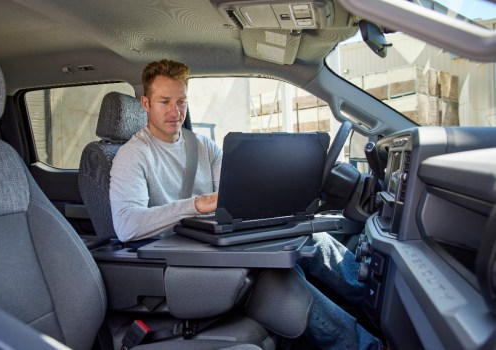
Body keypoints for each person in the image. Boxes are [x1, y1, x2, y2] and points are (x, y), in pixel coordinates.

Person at [109, 59, 382, 350]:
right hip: (179, 258)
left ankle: (376, 307)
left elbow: (236, 193)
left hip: (216, 239)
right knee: (281, 280)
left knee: (313, 238)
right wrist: (196, 204)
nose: (176, 111)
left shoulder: (202, 146)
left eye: (181, 101)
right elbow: (127, 225)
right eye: (165, 101)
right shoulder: (133, 155)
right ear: (145, 103)